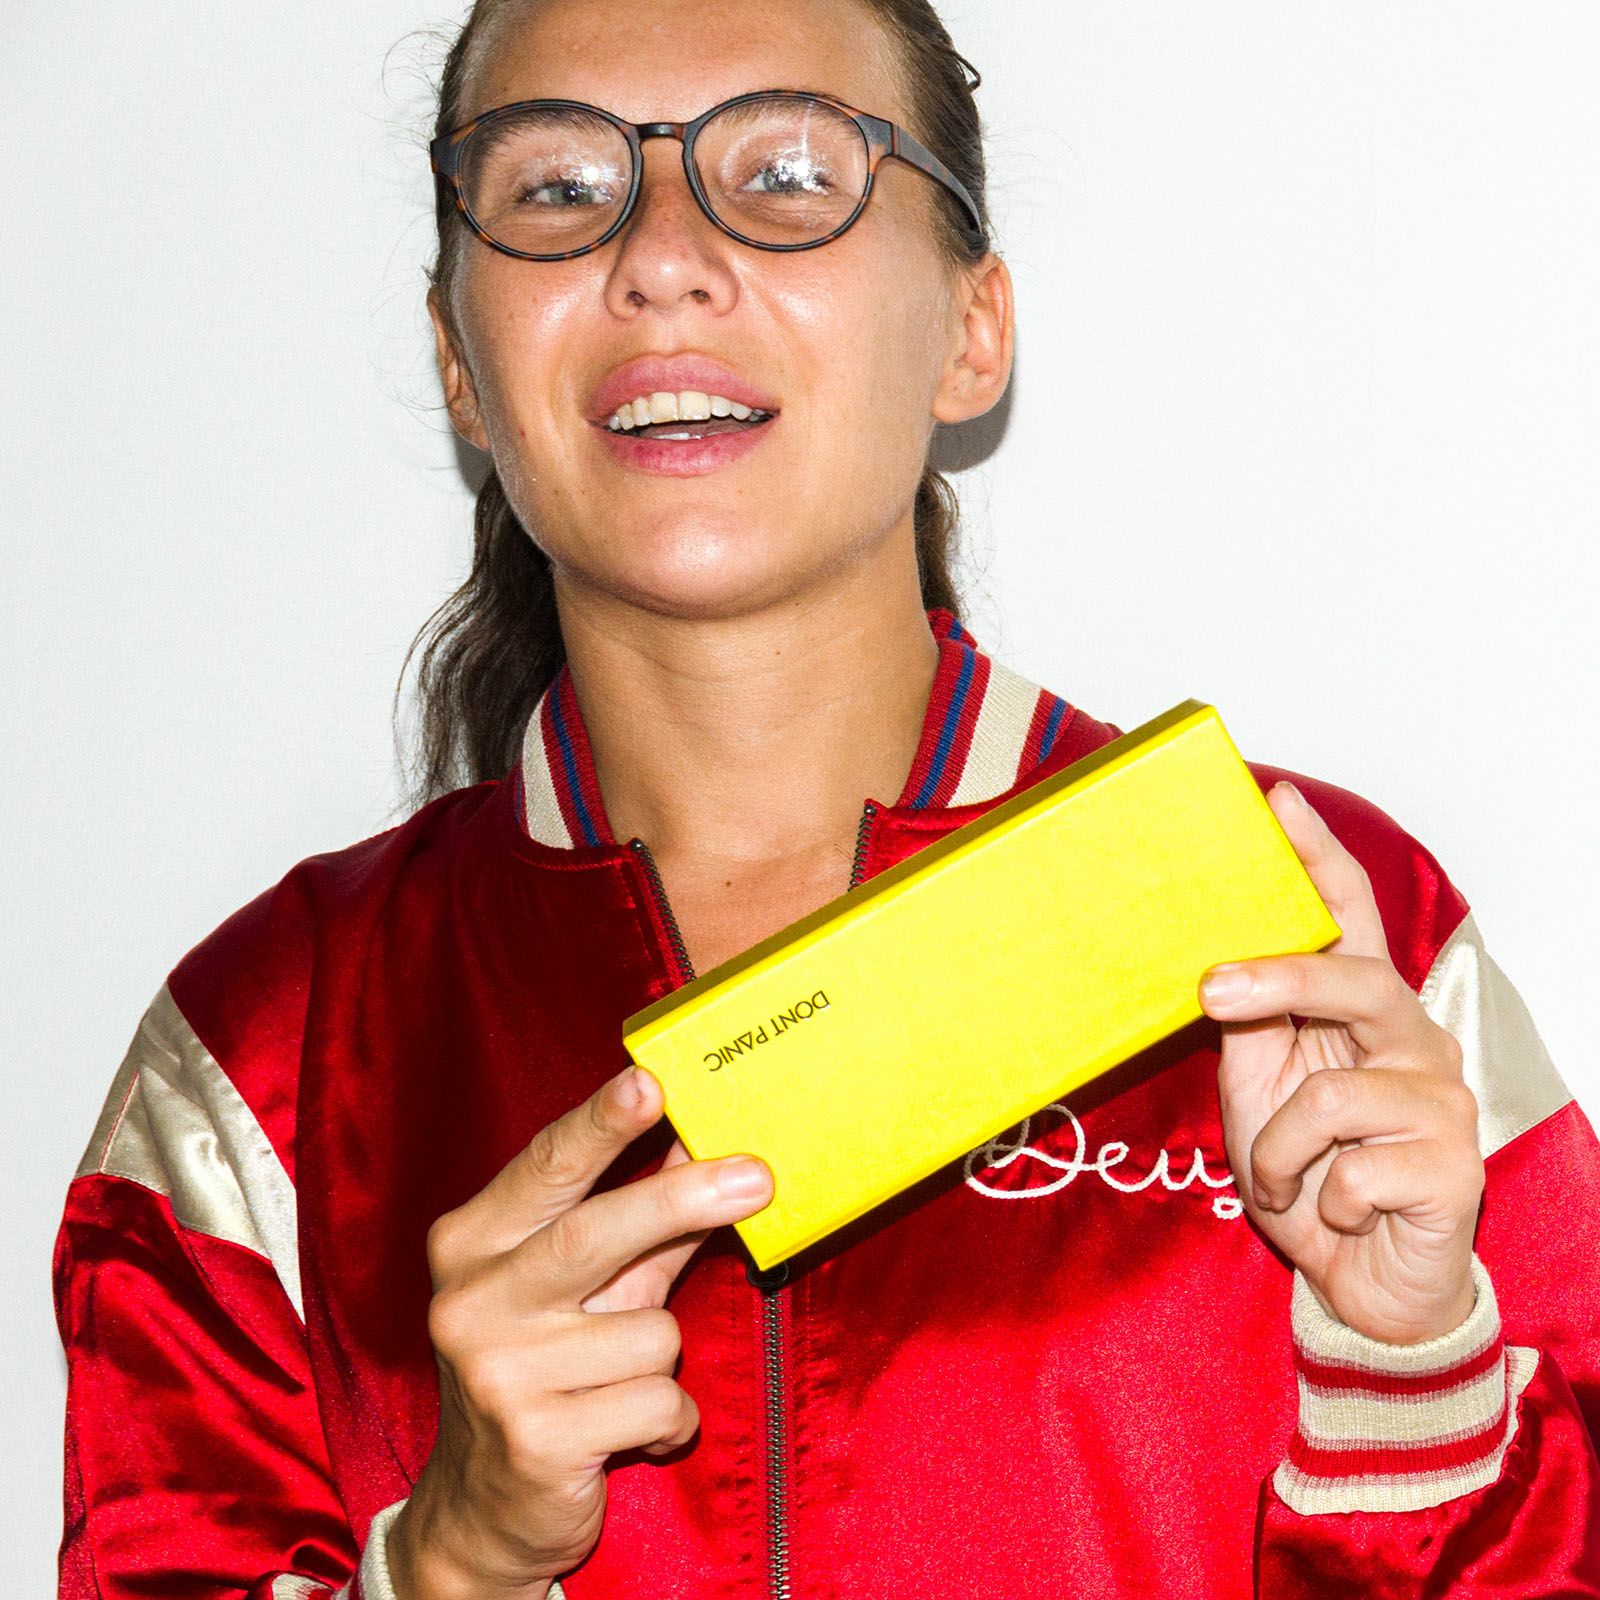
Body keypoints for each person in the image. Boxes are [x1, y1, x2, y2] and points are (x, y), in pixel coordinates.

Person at [50, 0, 1600, 1595]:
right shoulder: (268, 1056)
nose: (662, 258)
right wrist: (449, 1559)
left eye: (788, 173)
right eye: (559, 189)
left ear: (972, 331)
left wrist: (1409, 1373)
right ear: (460, 357)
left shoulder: (1315, 928)